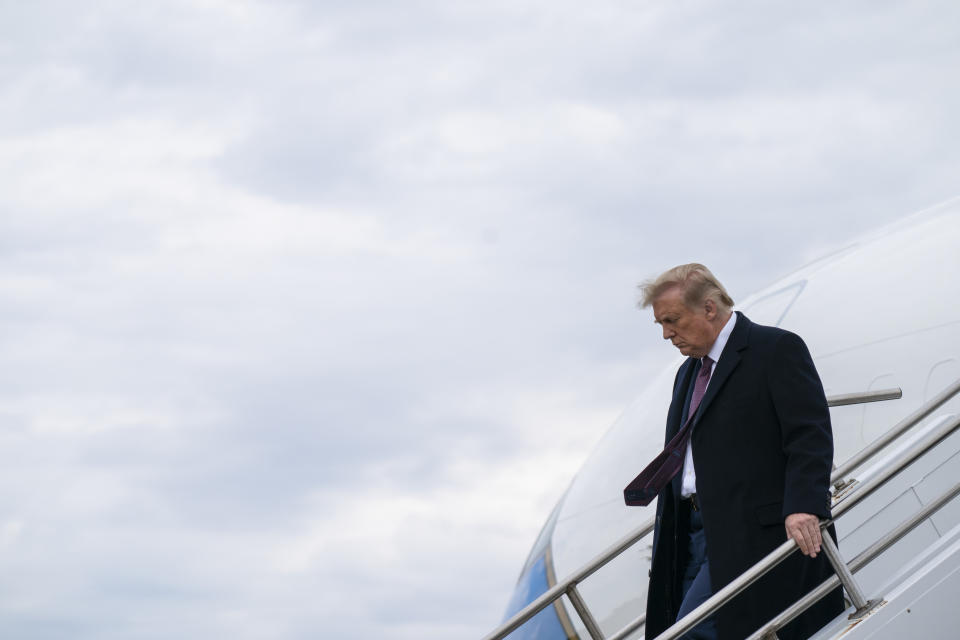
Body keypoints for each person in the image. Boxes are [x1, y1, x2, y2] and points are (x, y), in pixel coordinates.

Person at [623, 264, 844, 639]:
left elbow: (809, 434)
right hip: (690, 531)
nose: (666, 334)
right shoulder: (688, 373)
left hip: (750, 530)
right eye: (660, 324)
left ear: (709, 308)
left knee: (689, 632)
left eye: (672, 320)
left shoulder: (774, 349)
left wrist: (805, 504)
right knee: (698, 628)